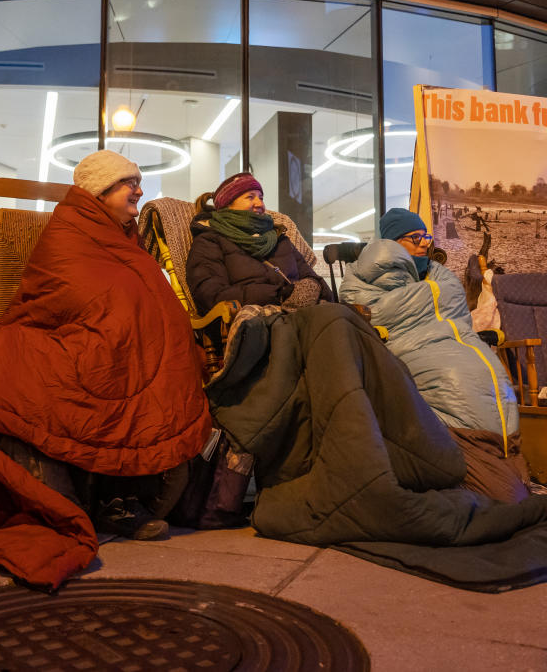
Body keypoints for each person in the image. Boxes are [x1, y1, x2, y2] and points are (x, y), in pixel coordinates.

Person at [0, 150, 211, 590]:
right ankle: (77, 499)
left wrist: (131, 324)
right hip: (66, 338)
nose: (138, 190)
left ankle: (119, 496)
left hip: (121, 346)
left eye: (138, 181)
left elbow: (142, 294)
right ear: (99, 192)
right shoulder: (68, 231)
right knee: (35, 371)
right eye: (127, 183)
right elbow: (62, 291)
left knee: (148, 359)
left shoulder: (125, 238)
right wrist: (115, 321)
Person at [339, 208, 529, 502]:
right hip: (420, 358)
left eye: (426, 235)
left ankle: (495, 460)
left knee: (492, 397)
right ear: (392, 243)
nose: (425, 242)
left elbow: (456, 321)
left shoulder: (438, 276)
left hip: (463, 352)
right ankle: (475, 466)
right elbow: (375, 315)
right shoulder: (368, 281)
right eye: (415, 237)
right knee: (505, 493)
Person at [185, 172, 331, 313]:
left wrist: (314, 287)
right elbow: (211, 294)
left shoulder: (279, 239)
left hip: (302, 314)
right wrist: (280, 295)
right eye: (250, 197)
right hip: (256, 323)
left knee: (340, 314)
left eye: (261, 197)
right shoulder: (209, 241)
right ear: (227, 205)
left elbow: (312, 278)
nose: (259, 203)